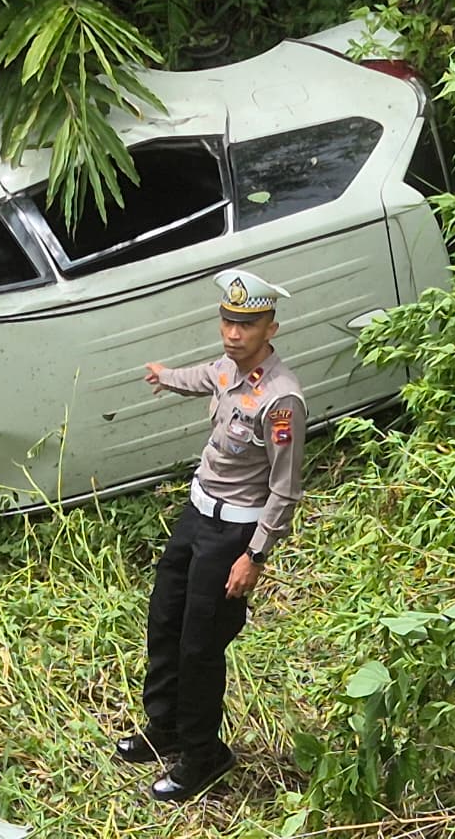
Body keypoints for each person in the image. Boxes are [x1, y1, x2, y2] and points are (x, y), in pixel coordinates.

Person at [114, 268, 306, 802]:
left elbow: (286, 490)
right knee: (165, 618)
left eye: (246, 324)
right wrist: (166, 375)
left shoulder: (282, 400)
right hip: (197, 512)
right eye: (227, 321)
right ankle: (166, 726)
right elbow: (205, 376)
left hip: (234, 531)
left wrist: (255, 556)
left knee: (201, 645)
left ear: (271, 327)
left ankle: (203, 755)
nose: (233, 333)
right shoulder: (228, 367)